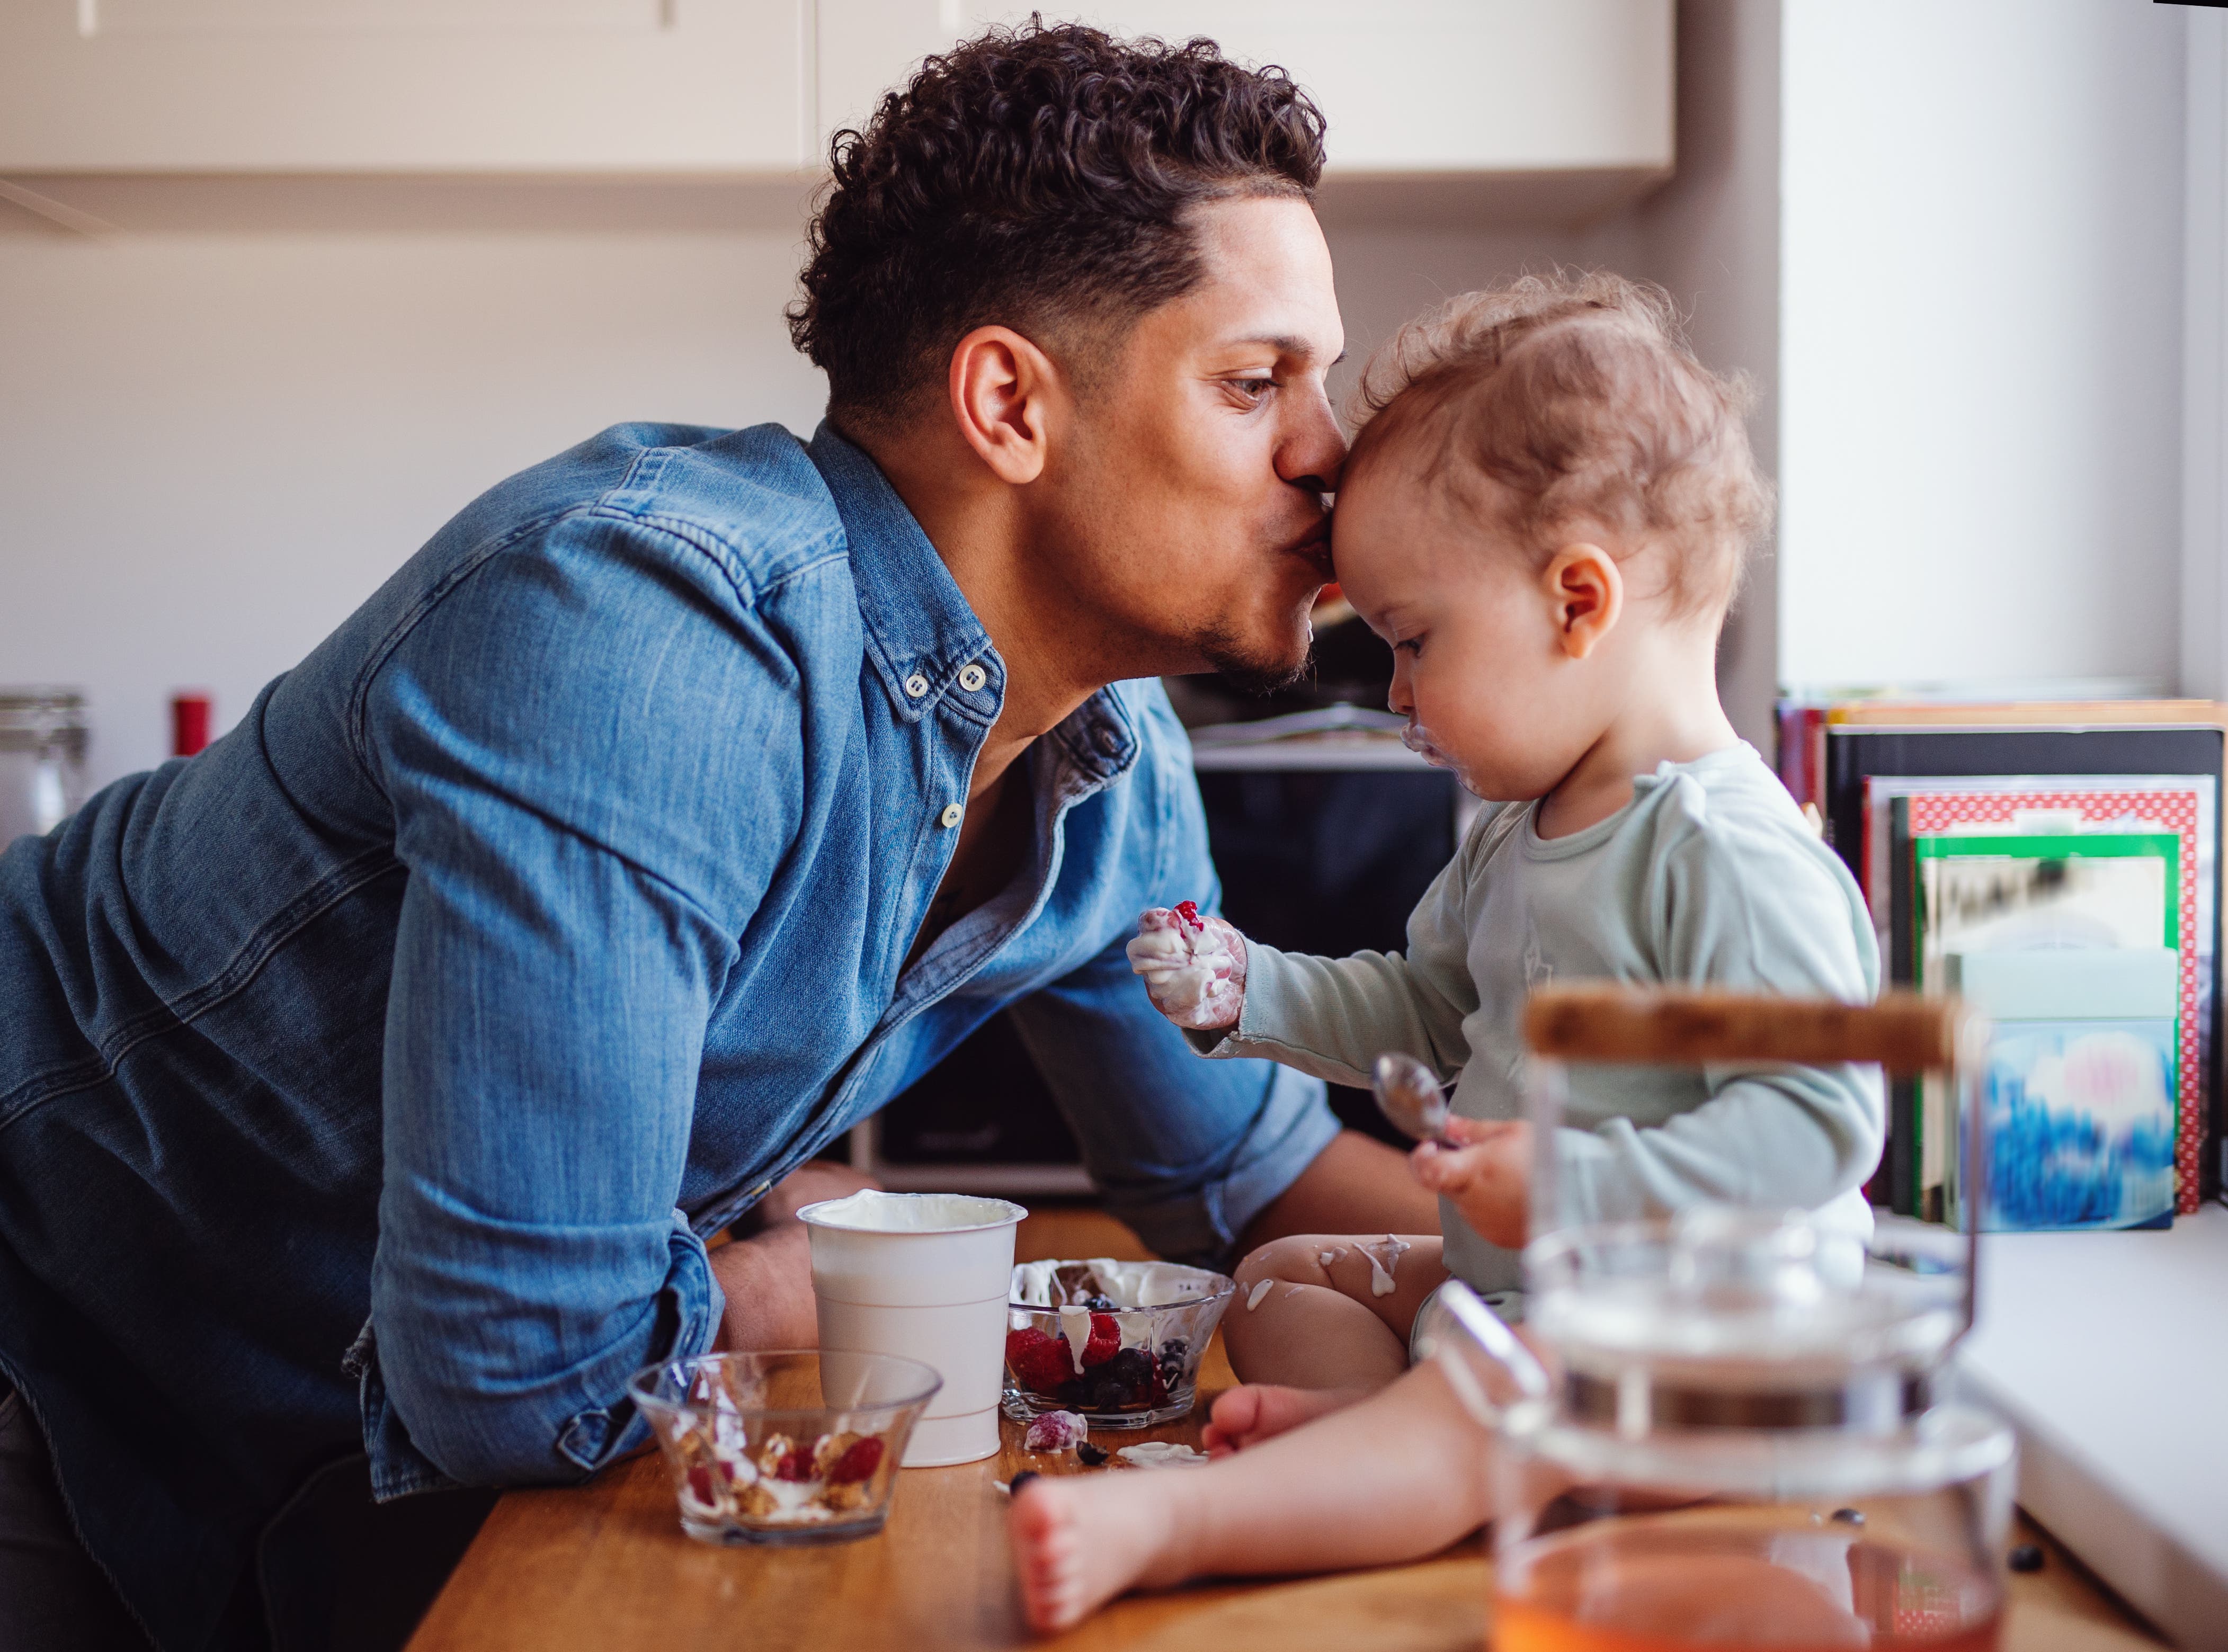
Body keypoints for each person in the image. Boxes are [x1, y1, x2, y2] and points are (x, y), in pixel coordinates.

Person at [0, 25, 1443, 1651]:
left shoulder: (1107, 755)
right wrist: (799, 1279)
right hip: (46, 1313)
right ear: (1007, 405)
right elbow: (519, 1371)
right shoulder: (650, 631)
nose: (1328, 448)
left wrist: (1619, 1306)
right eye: (1256, 383)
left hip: (317, 1444)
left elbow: (1242, 1173)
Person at [1008, 271, 1885, 1631]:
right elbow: (1427, 1009)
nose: (1399, 696)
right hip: (1534, 1304)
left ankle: (1188, 1519)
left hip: (1718, 1369)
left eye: (1416, 643)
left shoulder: (1729, 852)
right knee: (1283, 1280)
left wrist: (1586, 1187)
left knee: (1484, 1389)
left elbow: (1826, 1118)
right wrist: (1251, 989)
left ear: (1578, 602)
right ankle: (1395, 1459)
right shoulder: (1517, 832)